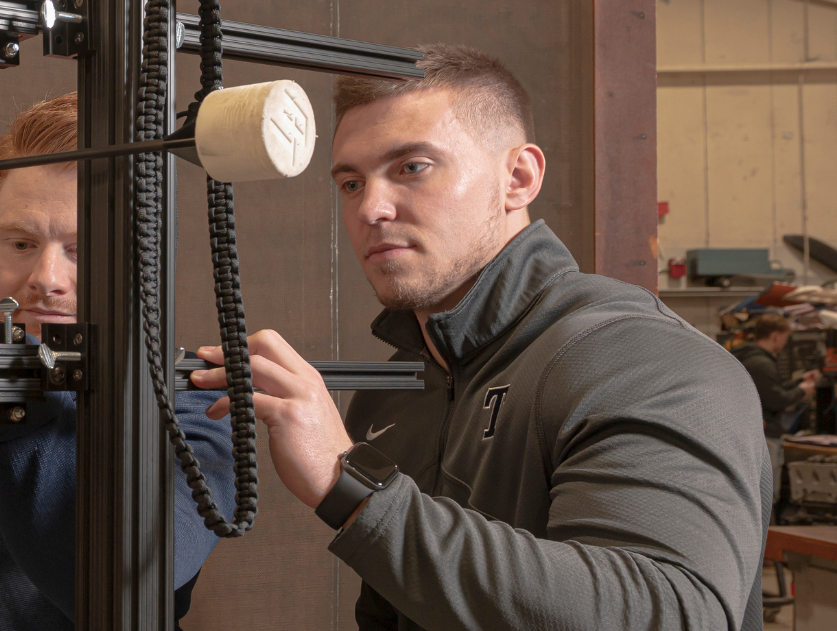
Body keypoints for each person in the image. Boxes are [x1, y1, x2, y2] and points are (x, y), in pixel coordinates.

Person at [189, 44, 770, 630]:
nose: (372, 208)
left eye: (411, 167)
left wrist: (350, 486)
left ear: (518, 177)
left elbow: (666, 613)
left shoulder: (639, 358)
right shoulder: (394, 395)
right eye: (350, 183)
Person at [0, 92, 238, 630]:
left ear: (140, 254)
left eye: (82, 248)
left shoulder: (197, 394)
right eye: (22, 244)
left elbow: (122, 582)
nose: (46, 279)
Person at [732, 312, 819, 500]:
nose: (786, 342)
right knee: (767, 494)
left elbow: (771, 389)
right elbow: (775, 400)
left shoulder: (750, 358)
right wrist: (803, 391)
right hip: (766, 436)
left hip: (754, 434)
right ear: (776, 336)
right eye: (786, 337)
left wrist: (799, 382)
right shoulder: (762, 363)